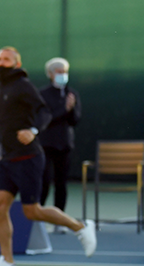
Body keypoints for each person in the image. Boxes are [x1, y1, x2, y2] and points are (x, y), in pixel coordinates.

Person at [0, 47, 94, 266]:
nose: (1, 62)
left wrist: (33, 130)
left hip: (29, 157)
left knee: (32, 211)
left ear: (17, 64)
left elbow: (43, 111)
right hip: (8, 158)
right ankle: (6, 260)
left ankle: (80, 227)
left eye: (7, 59)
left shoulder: (23, 85)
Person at [39, 57, 81, 232]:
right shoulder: (43, 94)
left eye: (64, 71)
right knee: (44, 181)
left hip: (65, 145)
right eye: (59, 71)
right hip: (46, 145)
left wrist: (70, 109)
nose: (62, 75)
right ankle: (38, 219)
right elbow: (46, 119)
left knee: (61, 183)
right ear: (50, 74)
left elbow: (75, 120)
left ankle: (59, 221)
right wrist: (65, 109)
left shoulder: (72, 94)